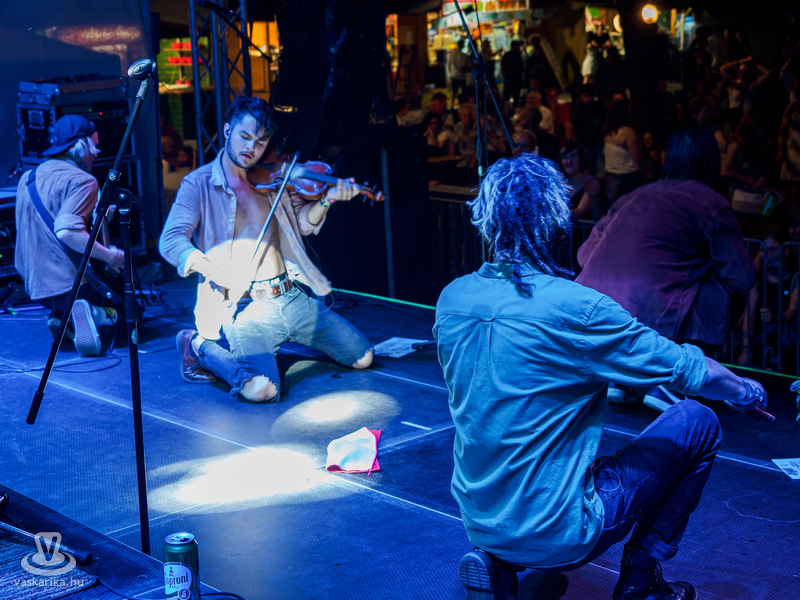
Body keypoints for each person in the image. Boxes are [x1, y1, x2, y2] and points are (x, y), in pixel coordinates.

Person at [435, 153, 767, 600]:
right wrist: (746, 390)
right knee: (698, 420)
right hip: (561, 532)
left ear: (486, 220)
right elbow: (691, 371)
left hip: (478, 519)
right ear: (554, 219)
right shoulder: (578, 308)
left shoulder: (451, 298)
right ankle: (640, 583)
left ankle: (496, 561)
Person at [159, 96, 373, 401]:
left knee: (363, 357)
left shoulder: (272, 180)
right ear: (227, 130)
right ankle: (197, 346)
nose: (251, 148)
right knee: (261, 390)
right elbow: (171, 240)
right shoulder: (199, 184)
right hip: (246, 309)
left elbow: (302, 223)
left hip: (290, 297)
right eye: (245, 136)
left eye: (260, 142)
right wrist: (213, 270)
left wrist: (328, 200)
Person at [577, 128, 757, 409]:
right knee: (731, 293)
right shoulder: (712, 203)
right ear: (712, 163)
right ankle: (668, 380)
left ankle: (623, 379)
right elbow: (742, 276)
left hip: (592, 312)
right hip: (649, 314)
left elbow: (583, 255)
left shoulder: (633, 196)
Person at [15, 115, 123, 357]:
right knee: (128, 312)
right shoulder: (83, 180)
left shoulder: (28, 178)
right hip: (70, 286)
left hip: (36, 287)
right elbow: (66, 231)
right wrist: (110, 257)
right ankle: (94, 313)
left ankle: (62, 319)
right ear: (81, 146)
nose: (96, 154)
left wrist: (99, 217)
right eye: (94, 147)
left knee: (68, 300)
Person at [603, 99, 644, 204]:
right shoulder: (629, 132)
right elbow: (637, 158)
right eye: (631, 110)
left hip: (610, 177)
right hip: (628, 177)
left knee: (615, 208)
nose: (633, 112)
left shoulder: (608, 133)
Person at [560, 141, 602, 221]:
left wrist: (555, 216)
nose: (569, 161)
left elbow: (581, 211)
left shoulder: (591, 181)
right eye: (565, 157)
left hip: (586, 228)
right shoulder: (559, 182)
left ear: (581, 158)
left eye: (573, 156)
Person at [448, 39, 474, 108]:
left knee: (454, 91)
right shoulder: (462, 55)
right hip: (461, 76)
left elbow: (449, 64)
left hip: (454, 75)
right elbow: (463, 66)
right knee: (463, 92)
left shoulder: (453, 53)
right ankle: (462, 105)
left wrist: (450, 71)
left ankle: (452, 105)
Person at [501, 41, 525, 106]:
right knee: (506, 97)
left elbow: (521, 67)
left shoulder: (518, 55)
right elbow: (503, 67)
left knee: (516, 96)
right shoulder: (507, 55)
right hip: (509, 78)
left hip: (516, 79)